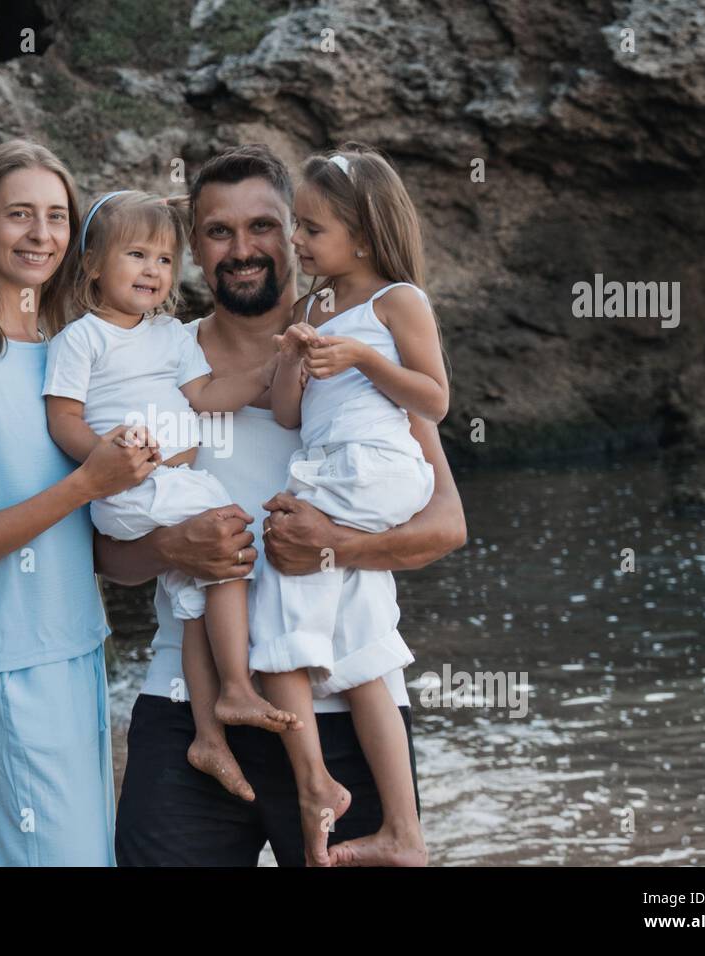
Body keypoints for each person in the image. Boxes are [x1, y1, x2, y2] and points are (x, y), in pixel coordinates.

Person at [98, 144, 467, 867]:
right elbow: (109, 556)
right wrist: (176, 549)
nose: (244, 250)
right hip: (189, 709)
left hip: (344, 702)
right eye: (218, 231)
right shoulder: (154, 358)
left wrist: (333, 546)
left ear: (298, 229)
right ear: (192, 246)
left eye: (264, 225)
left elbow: (445, 525)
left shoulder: (360, 342)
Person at [0, 140, 154, 866]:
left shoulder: (70, 353)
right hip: (7, 658)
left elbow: (91, 530)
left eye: (56, 217)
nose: (41, 235)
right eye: (19, 215)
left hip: (77, 646)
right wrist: (86, 483)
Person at [43, 190, 299, 806]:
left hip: (181, 486)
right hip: (136, 486)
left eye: (165, 259)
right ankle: (236, 685)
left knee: (196, 592)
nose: (154, 271)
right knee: (233, 539)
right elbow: (63, 419)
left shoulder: (171, 336)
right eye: (136, 255)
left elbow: (207, 395)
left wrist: (272, 377)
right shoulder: (82, 339)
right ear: (93, 266)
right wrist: (102, 462)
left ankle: (208, 733)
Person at [252, 144, 450, 866]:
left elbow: (435, 398)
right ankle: (402, 830)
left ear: (362, 235)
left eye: (311, 229)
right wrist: (293, 360)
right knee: (363, 640)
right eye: (297, 226)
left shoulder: (397, 301)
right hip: (336, 463)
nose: (295, 242)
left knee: (276, 564)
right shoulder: (311, 307)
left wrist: (365, 358)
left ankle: (313, 779)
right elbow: (285, 416)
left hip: (376, 468)